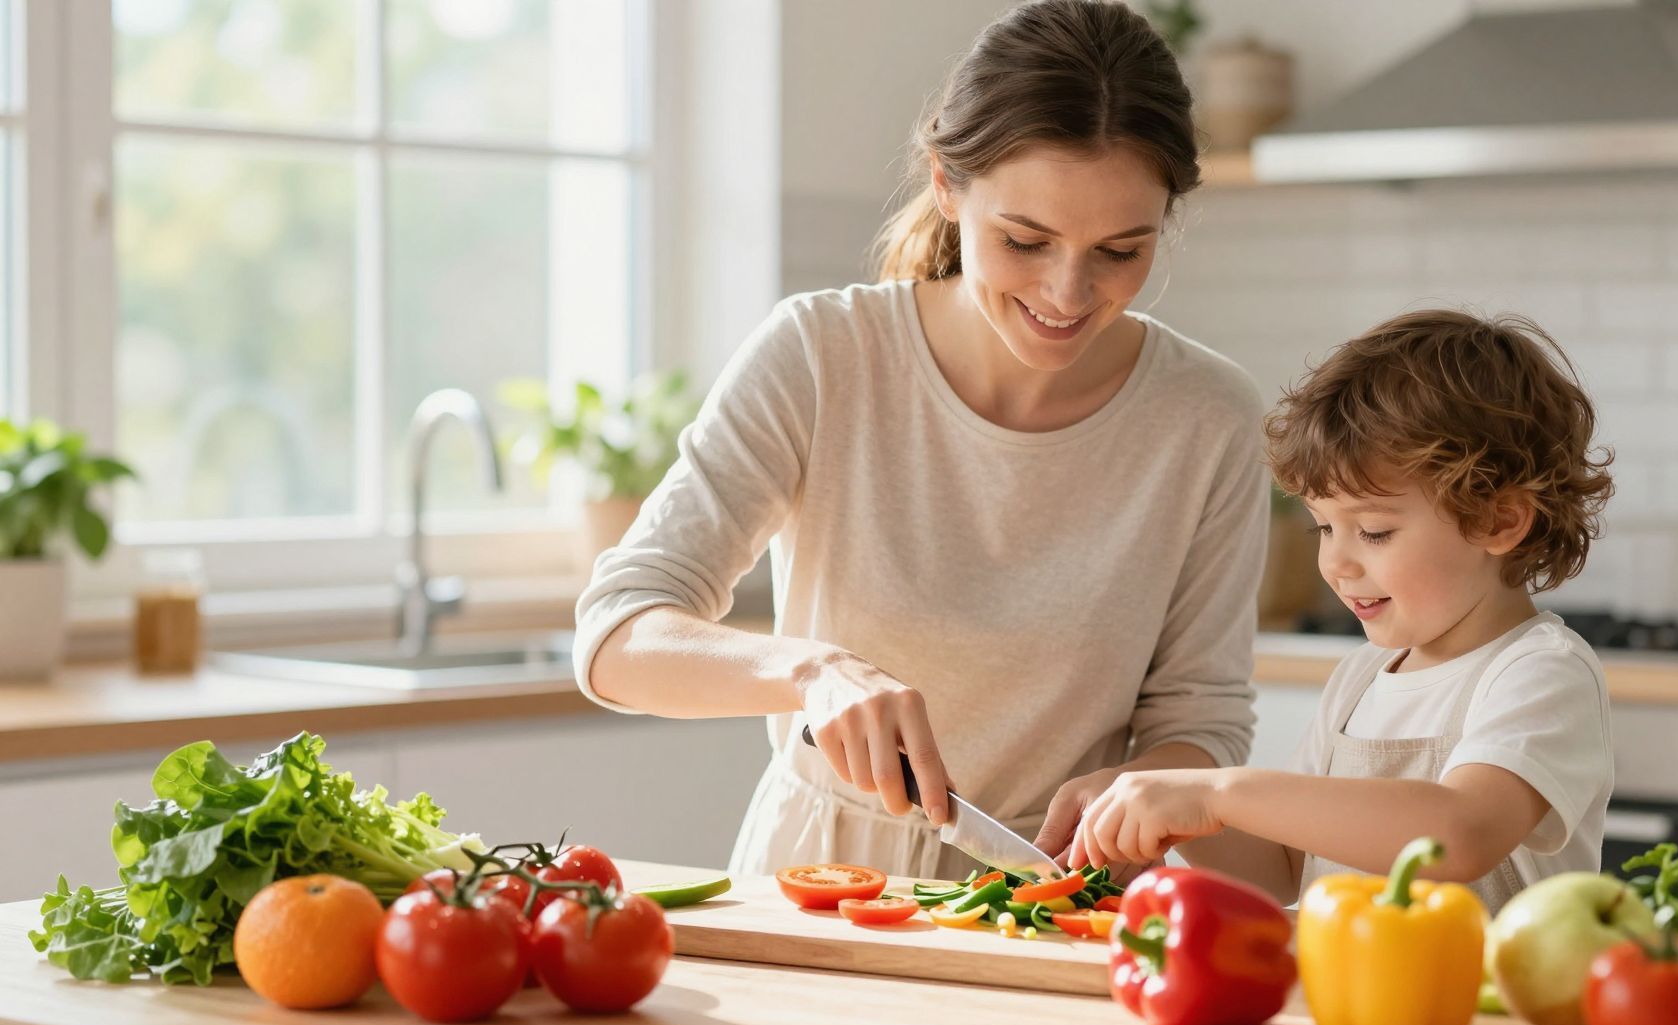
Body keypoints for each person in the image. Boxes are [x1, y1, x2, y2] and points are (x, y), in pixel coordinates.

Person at [572, 0, 1268, 880]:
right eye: (1025, 239)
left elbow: (1202, 722)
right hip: (820, 883)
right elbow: (617, 635)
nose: (1069, 291)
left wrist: (1138, 788)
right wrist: (809, 673)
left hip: (1052, 896)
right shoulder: (822, 356)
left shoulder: (1207, 417)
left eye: (1121, 251)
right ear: (946, 184)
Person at [1063, 310, 1616, 913]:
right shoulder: (1359, 680)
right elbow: (1284, 870)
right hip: (1351, 1002)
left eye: (1374, 532)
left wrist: (1218, 792)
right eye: (1324, 527)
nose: (1337, 564)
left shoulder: (1538, 673)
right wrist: (1174, 818)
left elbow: (1460, 834)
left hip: (1484, 1007)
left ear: (1499, 520)